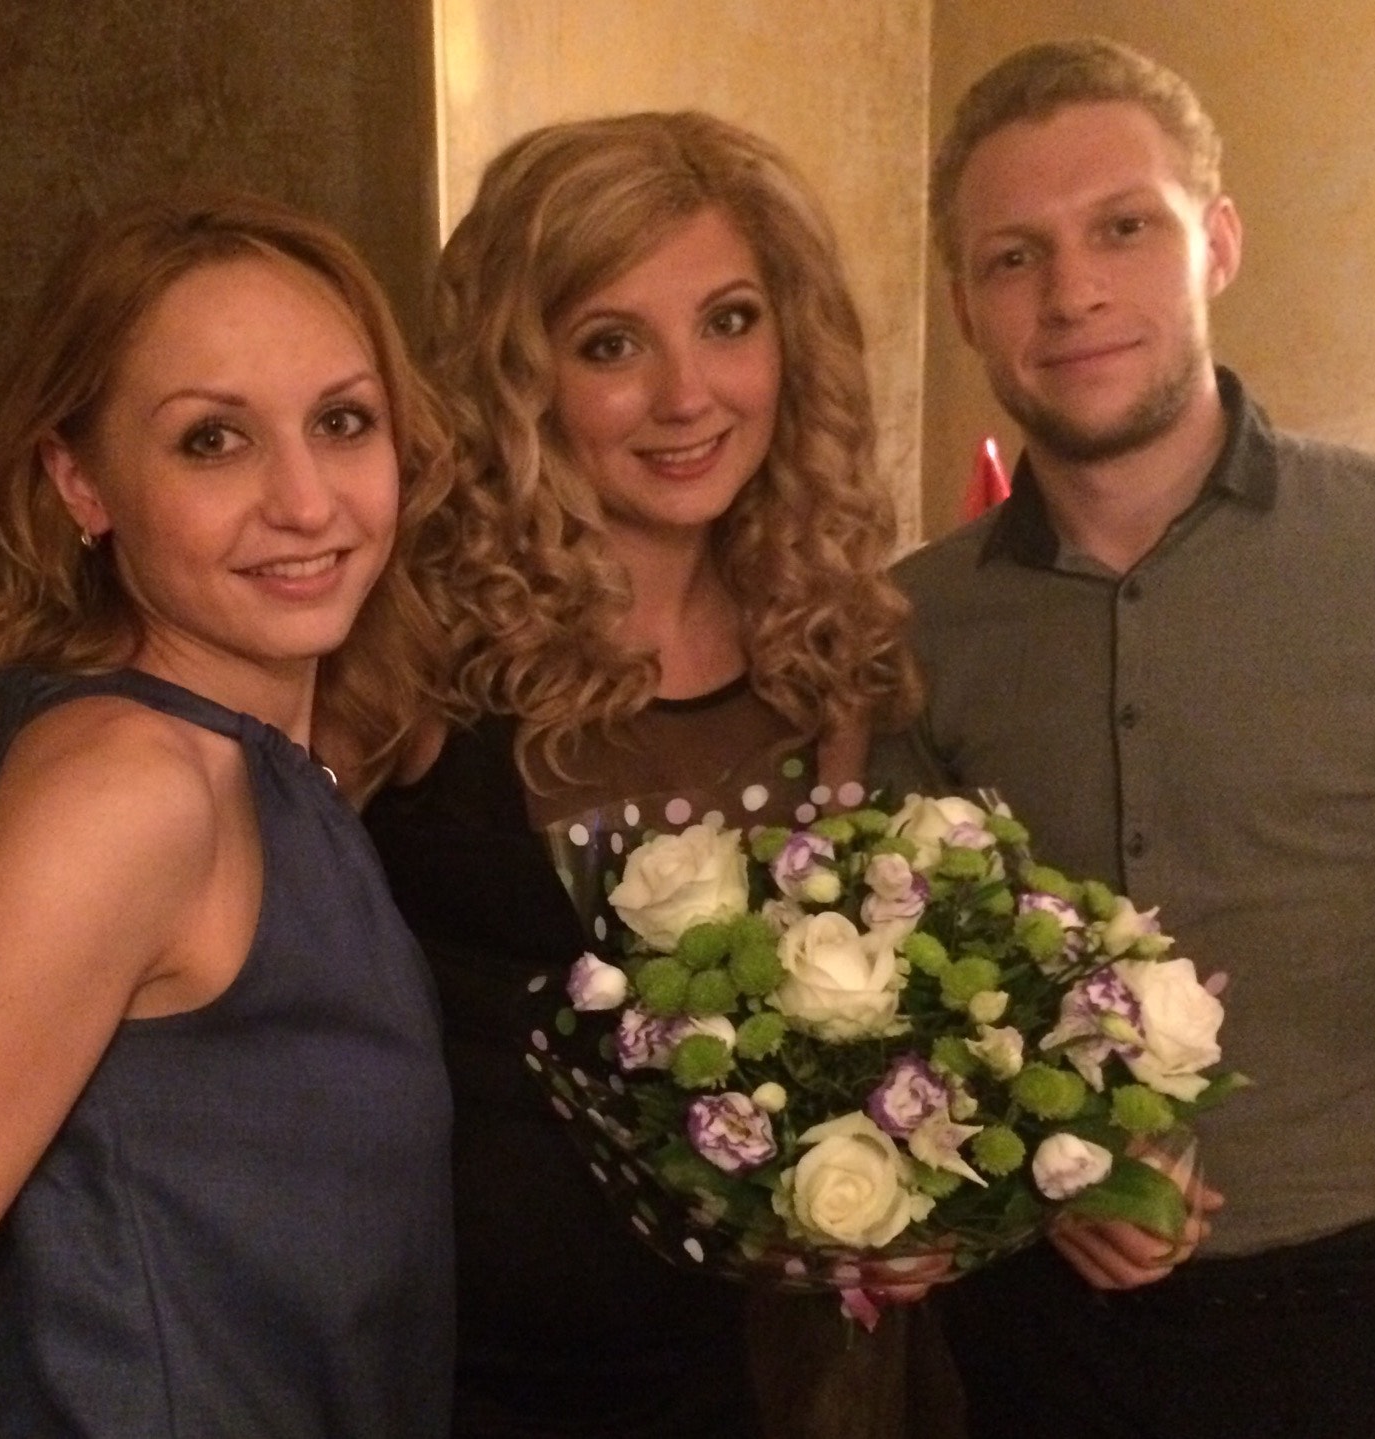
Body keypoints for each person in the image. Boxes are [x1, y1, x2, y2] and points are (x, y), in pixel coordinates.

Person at [877, 36, 1375, 1439]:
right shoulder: (910, 624)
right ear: (964, 304)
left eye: (1124, 228)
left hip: (1357, 1324)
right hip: (1021, 1330)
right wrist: (1032, 1155)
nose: (1072, 290)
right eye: (1013, 256)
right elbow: (902, 983)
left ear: (1220, 242)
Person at [0, 192, 458, 1438]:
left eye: (342, 421)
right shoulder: (127, 788)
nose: (306, 500)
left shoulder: (261, 762)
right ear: (82, 482)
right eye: (213, 440)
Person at [338, 112, 933, 1438]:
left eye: (729, 322)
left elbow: (828, 1041)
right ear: (522, 375)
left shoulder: (826, 641)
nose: (687, 394)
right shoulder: (409, 647)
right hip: (472, 1379)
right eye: (612, 343)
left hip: (756, 1379)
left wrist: (896, 1193)